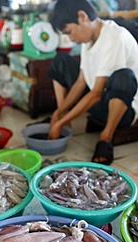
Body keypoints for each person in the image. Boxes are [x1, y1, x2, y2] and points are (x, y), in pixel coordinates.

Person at [48, 0, 138, 165]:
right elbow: (81, 81)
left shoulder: (114, 36)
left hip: (123, 111)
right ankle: (64, 119)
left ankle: (106, 137)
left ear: (82, 17)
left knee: (124, 76)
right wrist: (59, 112)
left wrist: (58, 123)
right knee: (61, 59)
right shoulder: (89, 38)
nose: (71, 38)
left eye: (69, 32)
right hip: (100, 103)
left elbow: (96, 94)